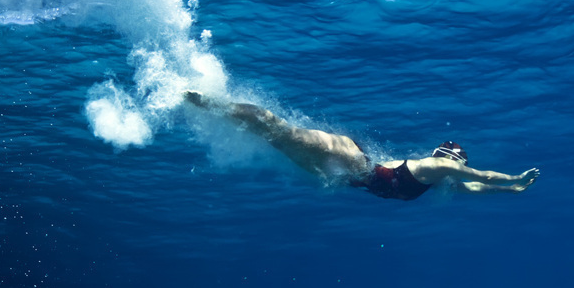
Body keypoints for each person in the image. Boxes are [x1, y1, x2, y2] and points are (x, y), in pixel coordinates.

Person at [186, 92, 540, 199]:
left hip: (348, 176)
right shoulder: (437, 167)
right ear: (449, 158)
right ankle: (213, 103)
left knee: (276, 141)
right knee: (284, 132)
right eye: (459, 163)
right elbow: (482, 175)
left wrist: (514, 190)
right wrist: (511, 178)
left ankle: (221, 112)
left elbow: (474, 187)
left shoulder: (442, 177)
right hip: (353, 160)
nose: (460, 170)